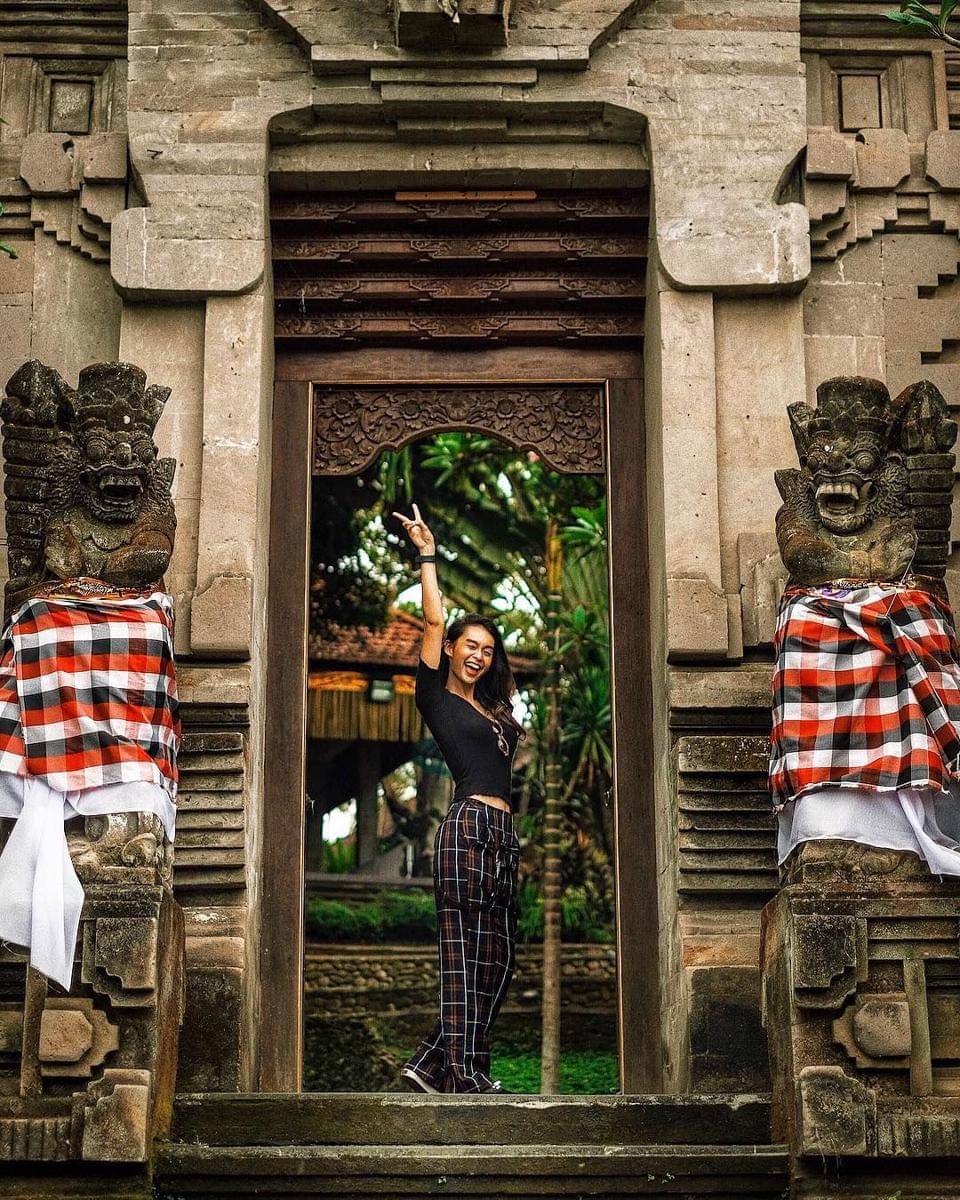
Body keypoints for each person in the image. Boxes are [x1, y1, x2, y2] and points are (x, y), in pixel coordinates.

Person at [392, 502, 526, 1094]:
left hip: (503, 837)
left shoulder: (492, 707)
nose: (478, 655)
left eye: (488, 650)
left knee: (499, 960)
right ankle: (466, 1073)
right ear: (449, 649)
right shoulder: (435, 697)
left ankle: (429, 1063)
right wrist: (428, 555)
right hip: (467, 830)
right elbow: (433, 618)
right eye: (469, 645)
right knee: (464, 958)